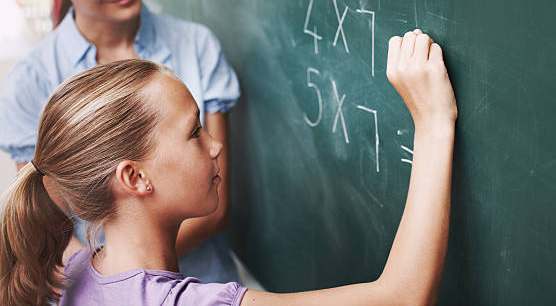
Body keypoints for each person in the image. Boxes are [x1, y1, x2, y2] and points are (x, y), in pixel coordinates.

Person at [0, 29, 457, 306]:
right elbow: (402, 299)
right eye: (194, 132)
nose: (216, 146)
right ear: (134, 177)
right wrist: (433, 123)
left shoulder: (75, 274)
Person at [0, 0, 240, 283]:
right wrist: (113, 288)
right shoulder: (32, 82)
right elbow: (48, 224)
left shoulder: (196, 46)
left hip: (202, 286)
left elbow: (216, 202)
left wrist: (132, 281)